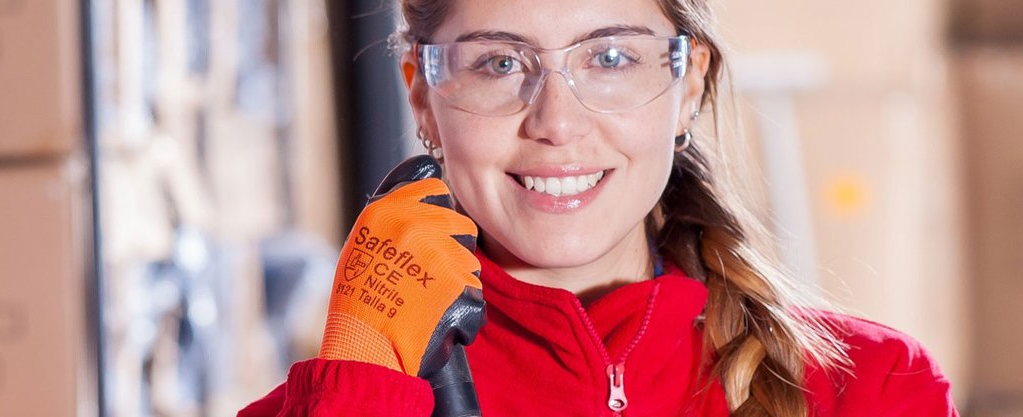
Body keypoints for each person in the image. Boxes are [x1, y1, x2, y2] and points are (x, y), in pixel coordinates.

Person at [241, 0, 958, 415]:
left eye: (610, 58)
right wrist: (363, 381)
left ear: (688, 84)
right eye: (500, 63)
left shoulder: (874, 390)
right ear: (423, 97)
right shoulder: (342, 396)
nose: (556, 123)